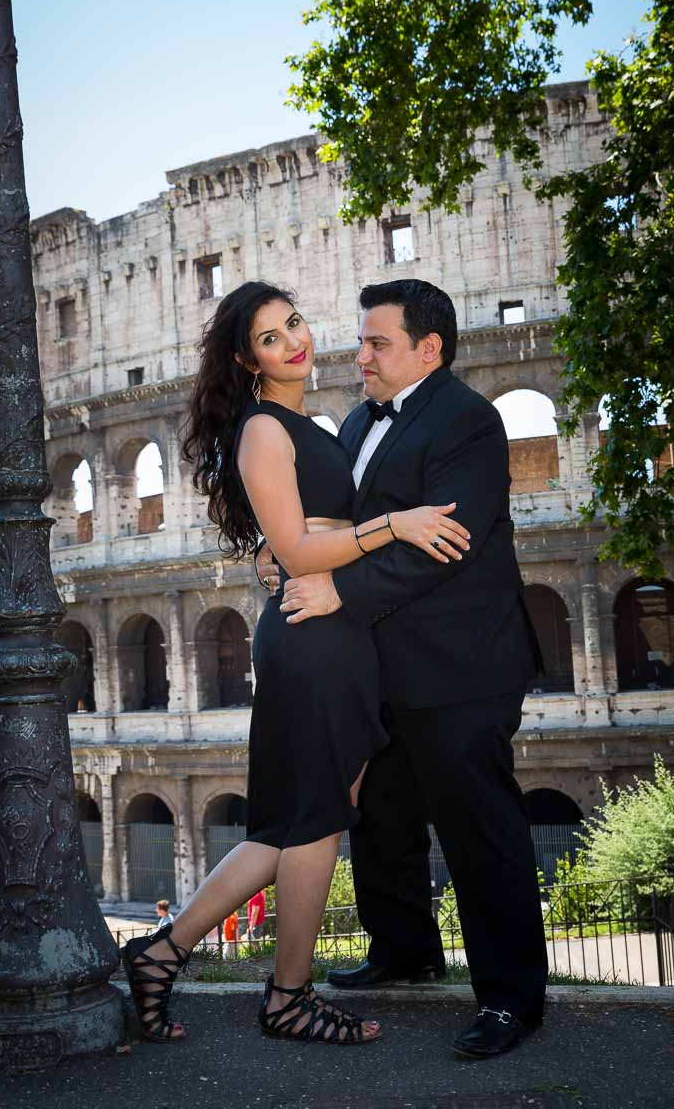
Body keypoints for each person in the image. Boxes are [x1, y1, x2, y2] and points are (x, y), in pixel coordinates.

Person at [118, 280, 470, 1047]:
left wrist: (293, 556)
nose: (294, 341)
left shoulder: (304, 422)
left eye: (296, 322)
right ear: (248, 359)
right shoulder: (262, 430)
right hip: (313, 638)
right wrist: (395, 526)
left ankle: (163, 952)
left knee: (298, 820)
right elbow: (301, 546)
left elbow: (293, 544)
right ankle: (285, 994)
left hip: (325, 627)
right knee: (314, 820)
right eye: (272, 337)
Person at [258, 279, 548, 1060]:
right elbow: (340, 524)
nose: (362, 356)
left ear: (430, 349)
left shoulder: (469, 421)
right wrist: (283, 551)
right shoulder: (355, 420)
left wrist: (334, 591)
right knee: (379, 818)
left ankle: (511, 998)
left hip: (461, 663)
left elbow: (443, 548)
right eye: (362, 340)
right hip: (375, 662)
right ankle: (404, 948)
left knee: (478, 829)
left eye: (378, 343)